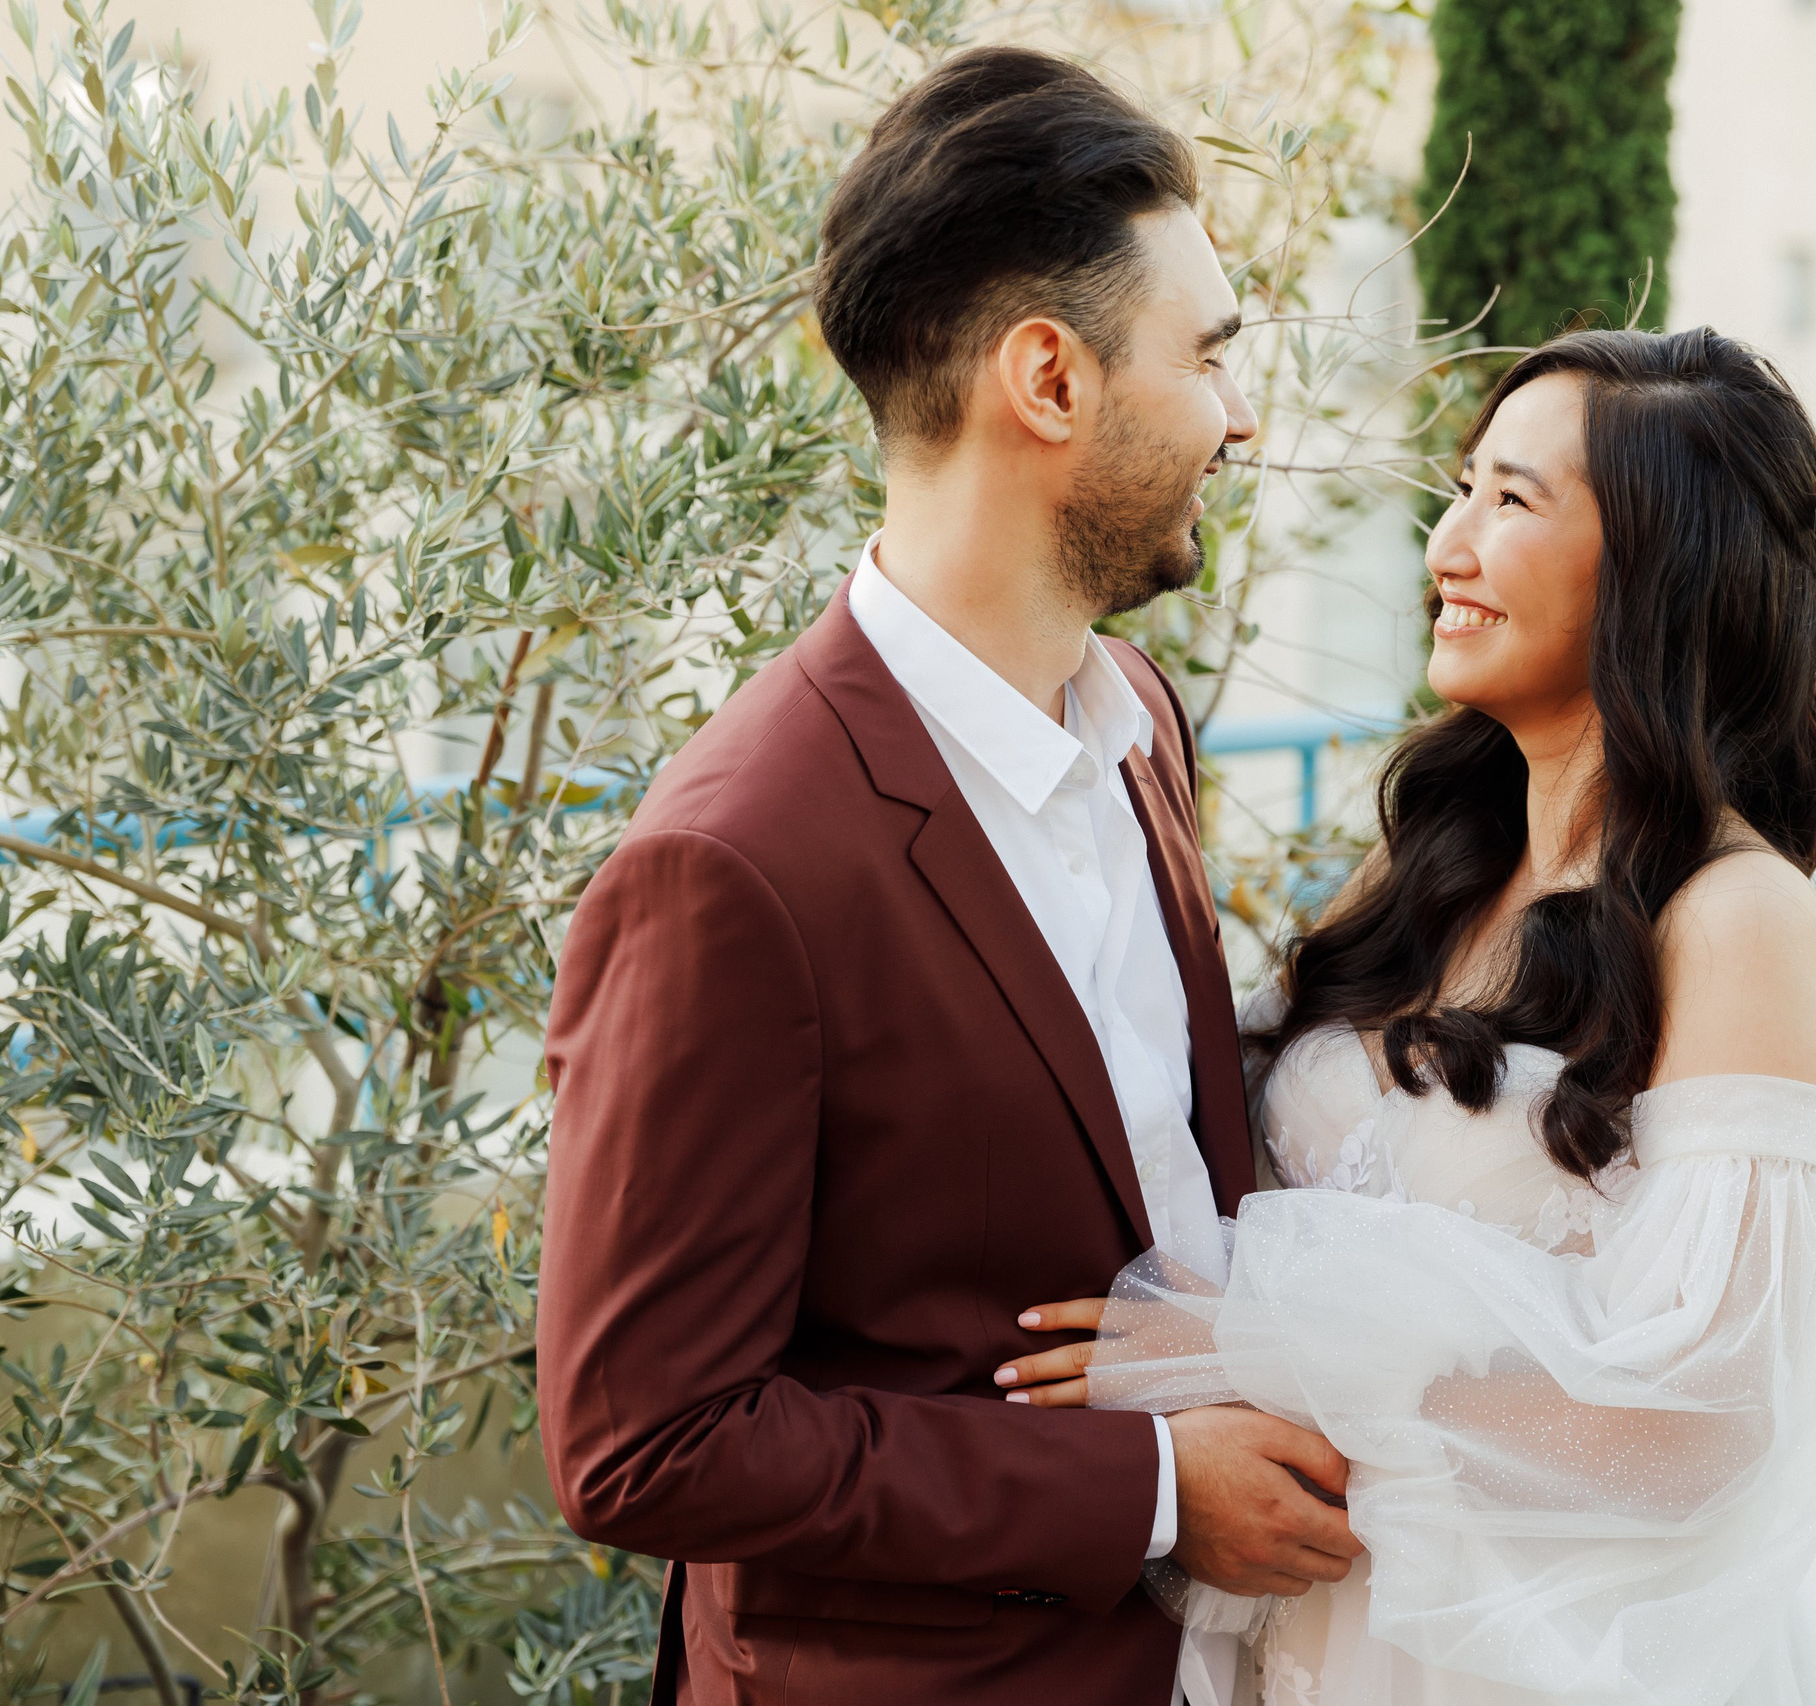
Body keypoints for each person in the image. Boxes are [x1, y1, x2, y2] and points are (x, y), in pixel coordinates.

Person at [993, 329, 1816, 1706]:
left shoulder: (1738, 915)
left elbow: (1701, 1427)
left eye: (1512, 500)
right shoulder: (1428, 860)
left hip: (1545, 1652)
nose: (1448, 545)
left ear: (1659, 569)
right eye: (1462, 487)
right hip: (1328, 1627)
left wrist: (1257, 1369)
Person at [536, 46, 1360, 1706]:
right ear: (1047, 381)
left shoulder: (1137, 715)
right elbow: (644, 1440)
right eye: (1207, 355)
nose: (1240, 414)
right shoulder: (731, 865)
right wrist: (1147, 1489)